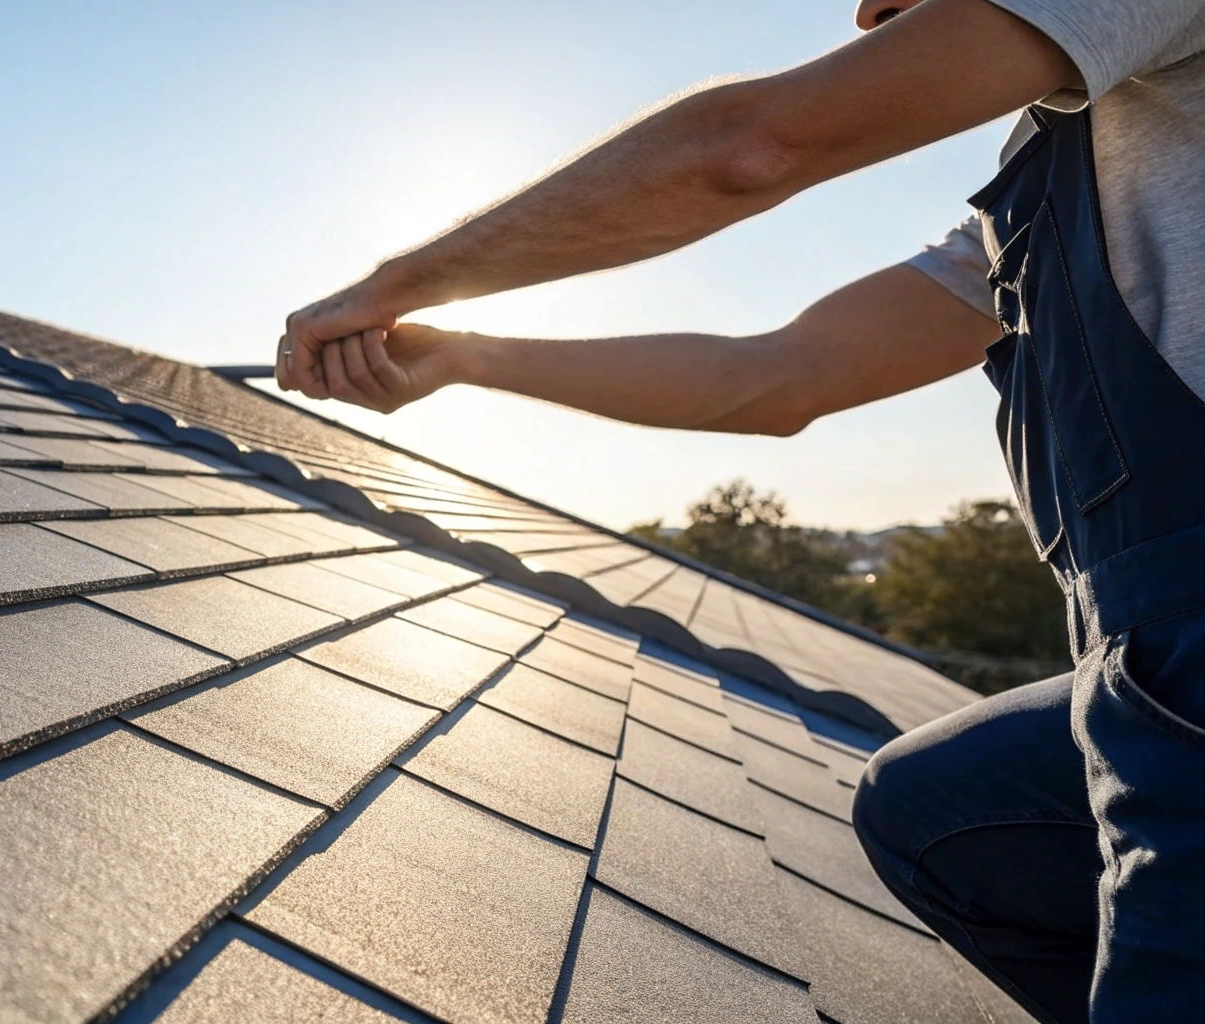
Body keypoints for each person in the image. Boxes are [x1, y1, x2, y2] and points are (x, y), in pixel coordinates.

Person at [274, 0, 1205, 1020]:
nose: (861, 14)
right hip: (1151, 664)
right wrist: (464, 356)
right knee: (940, 812)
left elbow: (750, 147)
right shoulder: (1062, 195)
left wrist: (391, 283)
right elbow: (774, 377)